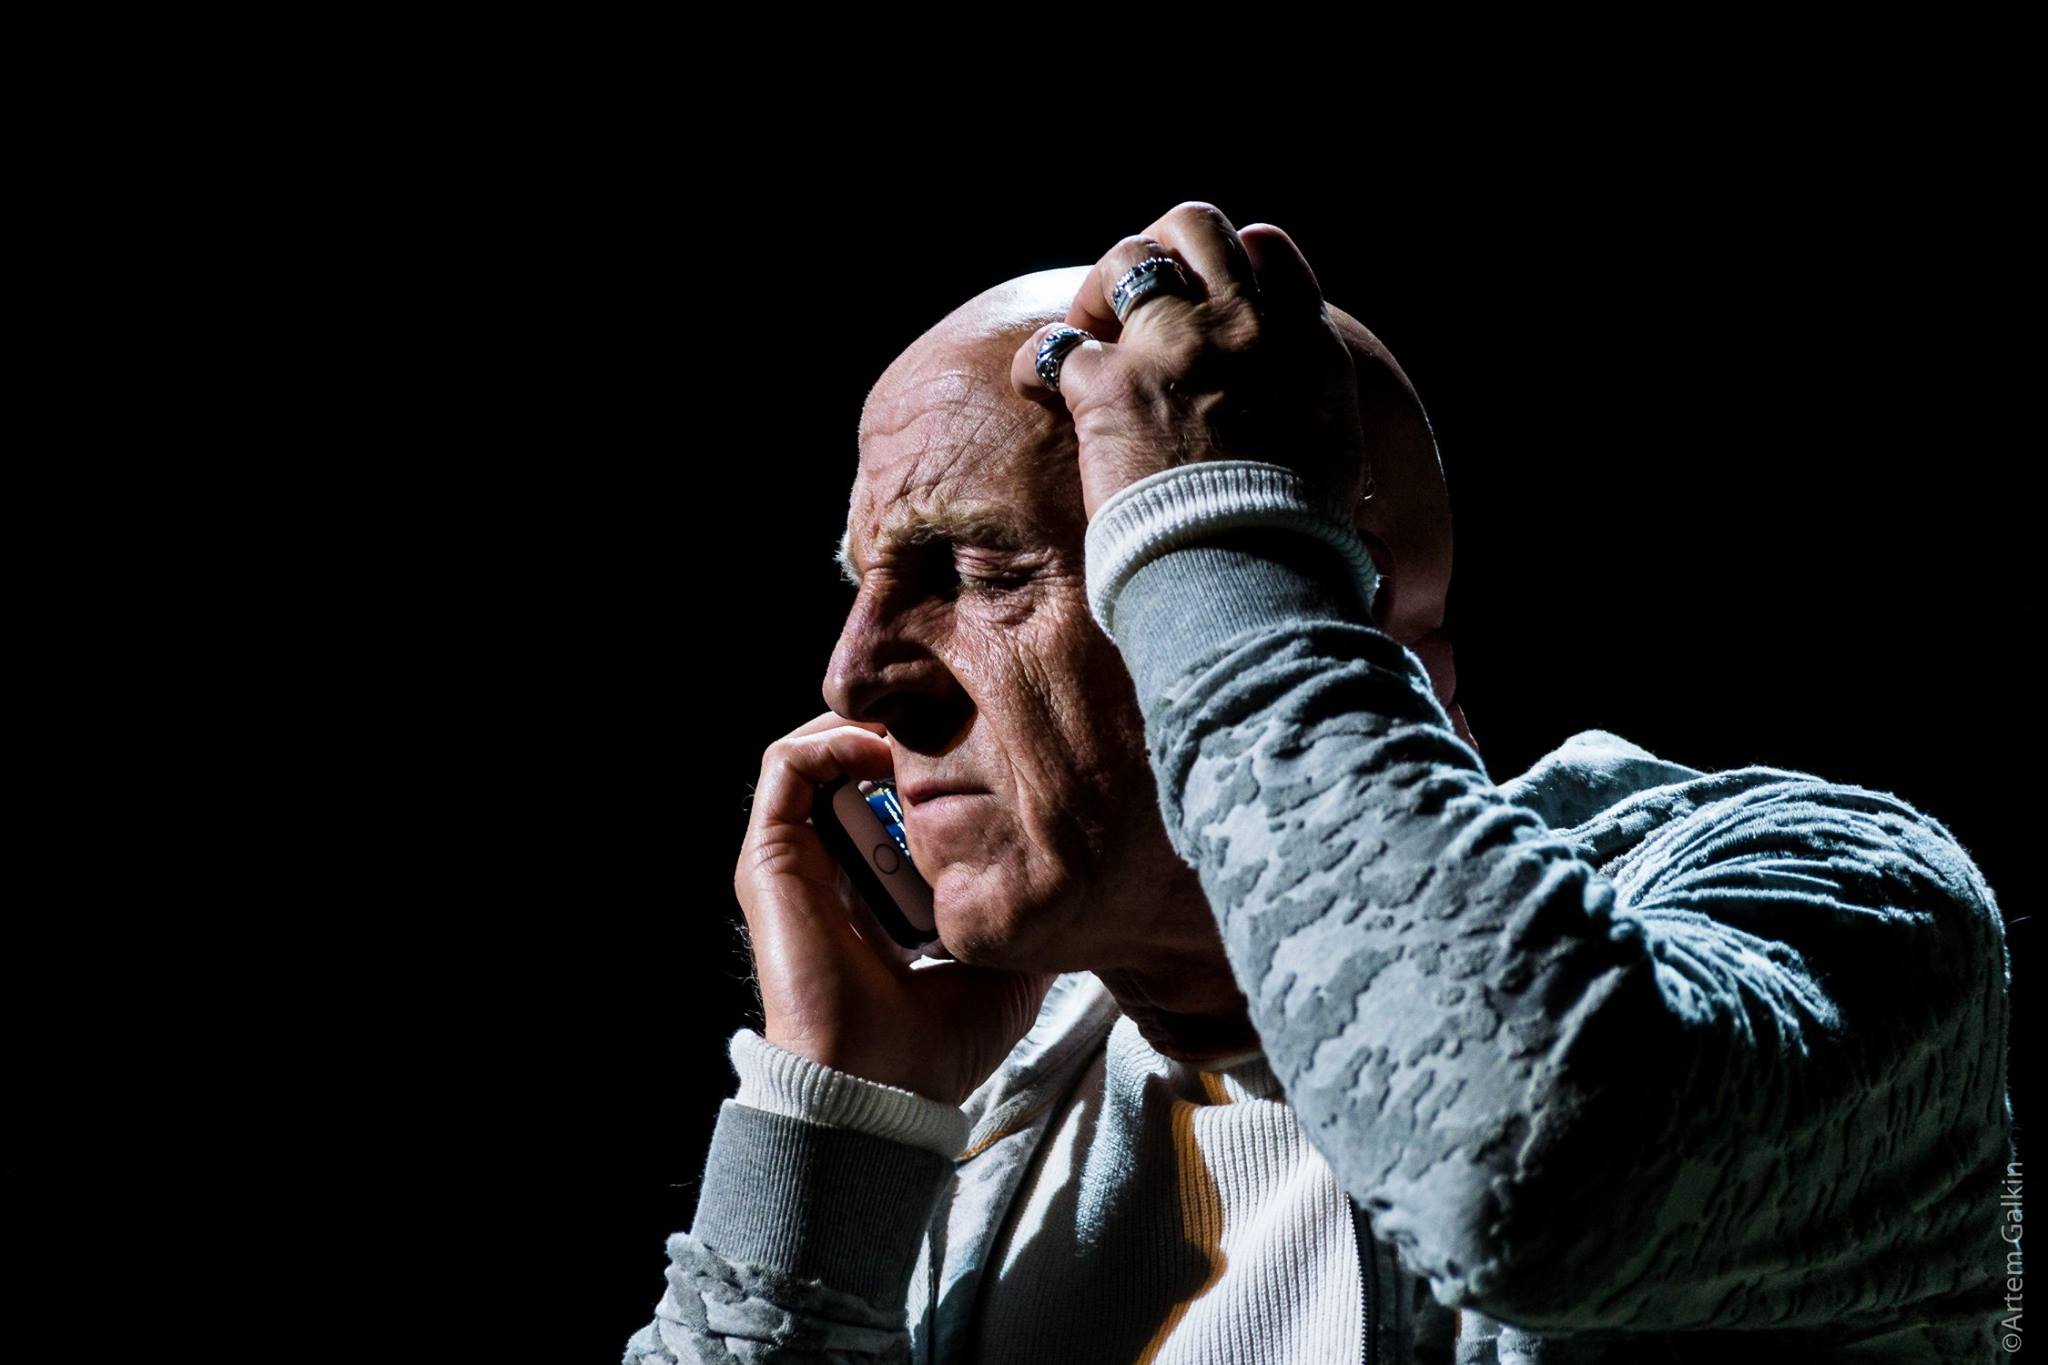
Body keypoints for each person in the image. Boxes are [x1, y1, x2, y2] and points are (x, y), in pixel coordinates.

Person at [625, 204, 2014, 1363]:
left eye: (984, 569)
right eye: (862, 586)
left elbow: (1522, 1169)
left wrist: (1214, 538)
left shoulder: (1834, 909)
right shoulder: (963, 1127)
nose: (855, 678)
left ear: (1312, 585)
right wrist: (835, 1134)